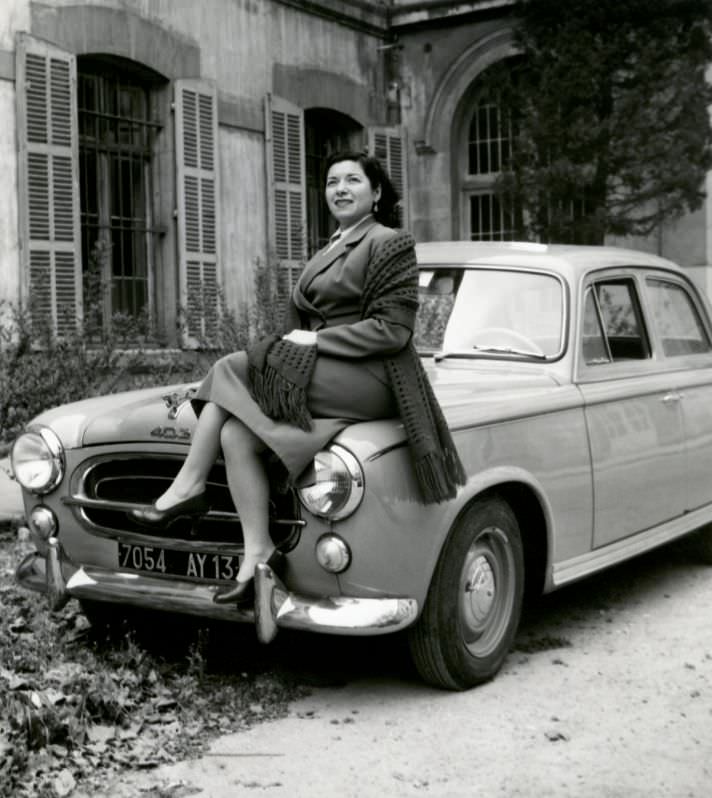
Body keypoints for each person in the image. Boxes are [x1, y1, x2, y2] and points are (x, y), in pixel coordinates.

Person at [130, 151, 465, 605]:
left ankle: (188, 485)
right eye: (331, 182)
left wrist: (314, 344)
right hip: (327, 373)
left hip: (373, 377)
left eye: (352, 181)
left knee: (232, 367)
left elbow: (394, 330)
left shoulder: (390, 241)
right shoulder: (331, 246)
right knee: (235, 436)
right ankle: (258, 550)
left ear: (377, 193)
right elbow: (302, 322)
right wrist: (290, 347)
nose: (340, 189)